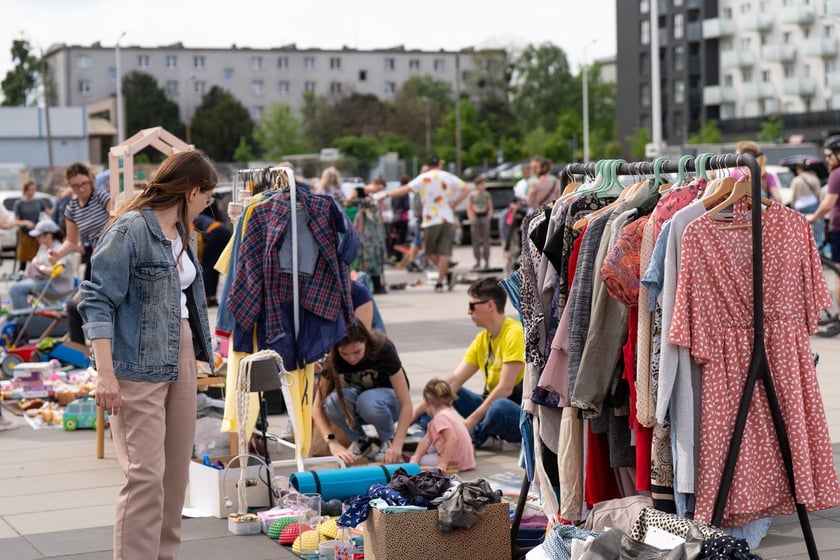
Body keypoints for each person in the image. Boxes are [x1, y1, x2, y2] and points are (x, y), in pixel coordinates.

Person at [78, 150, 216, 560]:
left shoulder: (183, 232)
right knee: (146, 476)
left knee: (175, 476)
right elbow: (97, 302)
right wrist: (105, 374)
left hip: (180, 354)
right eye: (207, 196)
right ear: (191, 191)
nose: (208, 204)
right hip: (136, 363)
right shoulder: (130, 230)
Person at [412, 277, 525, 447]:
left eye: (472, 306)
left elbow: (505, 389)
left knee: (499, 407)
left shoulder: (514, 333)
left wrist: (470, 421)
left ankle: (474, 436)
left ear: (490, 305)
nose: (468, 312)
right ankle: (421, 430)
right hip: (490, 406)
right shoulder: (482, 338)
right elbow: (454, 380)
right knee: (447, 389)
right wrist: (412, 415)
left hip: (516, 411)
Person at [311, 321, 413, 465]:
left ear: (365, 341)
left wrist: (398, 443)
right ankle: (360, 441)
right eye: (345, 353)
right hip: (358, 406)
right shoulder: (333, 358)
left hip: (388, 405)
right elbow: (316, 408)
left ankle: (387, 439)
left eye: (357, 352)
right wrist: (332, 441)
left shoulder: (382, 349)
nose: (351, 358)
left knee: (367, 400)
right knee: (332, 401)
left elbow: (406, 403)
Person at [48, 162, 113, 346]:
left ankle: (99, 348)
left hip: (112, 254)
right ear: (70, 186)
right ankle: (81, 351)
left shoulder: (100, 195)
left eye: (84, 183)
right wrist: (57, 254)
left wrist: (105, 239)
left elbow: (116, 217)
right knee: (75, 307)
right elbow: (71, 241)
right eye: (76, 186)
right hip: (96, 259)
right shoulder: (72, 208)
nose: (81, 189)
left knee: (90, 305)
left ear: (91, 180)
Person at [383, 156, 469, 292]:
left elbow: (406, 188)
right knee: (445, 253)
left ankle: (443, 278)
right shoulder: (448, 176)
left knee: (429, 253)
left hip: (431, 220)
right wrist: (456, 203)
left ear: (428, 166)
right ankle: (442, 279)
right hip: (447, 219)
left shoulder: (425, 177)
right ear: (439, 164)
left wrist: (387, 194)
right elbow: (466, 189)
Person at [808, 135, 840, 337]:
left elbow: (828, 203)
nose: (827, 160)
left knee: (838, 274)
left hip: (839, 228)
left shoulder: (836, 174)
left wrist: (812, 218)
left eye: (829, 155)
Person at [409, 379, 476, 472]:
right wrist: (416, 456)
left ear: (426, 402)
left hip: (455, 462)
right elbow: (426, 440)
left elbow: (452, 439)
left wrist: (443, 463)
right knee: (430, 441)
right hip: (467, 461)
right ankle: (419, 455)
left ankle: (422, 456)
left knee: (422, 460)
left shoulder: (440, 418)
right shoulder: (450, 413)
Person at [9, 219, 75, 310]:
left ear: (48, 235)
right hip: (43, 280)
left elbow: (58, 271)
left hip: (56, 286)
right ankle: (24, 313)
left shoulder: (59, 249)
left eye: (38, 236)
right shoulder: (43, 247)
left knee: (17, 289)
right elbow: (36, 259)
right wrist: (36, 263)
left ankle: (22, 317)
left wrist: (39, 267)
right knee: (17, 285)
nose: (36, 238)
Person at [193, 211, 232, 307]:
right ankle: (212, 297)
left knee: (207, 267)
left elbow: (198, 239)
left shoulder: (193, 219)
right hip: (225, 232)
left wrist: (200, 257)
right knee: (215, 267)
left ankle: (206, 297)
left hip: (214, 233)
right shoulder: (201, 218)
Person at [12, 181, 52, 272]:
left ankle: (36, 275)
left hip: (37, 234)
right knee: (23, 259)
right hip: (25, 234)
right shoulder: (19, 203)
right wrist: (26, 222)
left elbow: (50, 213)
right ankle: (21, 275)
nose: (31, 192)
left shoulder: (38, 202)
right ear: (25, 190)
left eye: (33, 190)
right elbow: (16, 221)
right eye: (29, 190)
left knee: (36, 258)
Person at [791, 160, 824, 248]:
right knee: (815, 227)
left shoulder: (796, 180)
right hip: (813, 205)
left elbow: (794, 196)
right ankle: (816, 245)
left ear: (799, 169)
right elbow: (819, 194)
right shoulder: (815, 179)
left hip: (800, 206)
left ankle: (804, 246)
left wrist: (792, 207)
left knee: (801, 228)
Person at [468, 176, 493, 271]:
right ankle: (477, 260)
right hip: (476, 215)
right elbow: (469, 206)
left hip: (484, 215)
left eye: (483, 184)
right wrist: (470, 217)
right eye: (481, 184)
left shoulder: (486, 195)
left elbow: (490, 206)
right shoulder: (473, 195)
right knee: (475, 239)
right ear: (477, 185)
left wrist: (489, 215)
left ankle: (486, 260)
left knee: (486, 239)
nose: (483, 186)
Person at [387, 174, 411, 262]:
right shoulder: (405, 192)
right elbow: (407, 206)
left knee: (395, 237)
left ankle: (394, 255)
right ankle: (399, 257)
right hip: (403, 217)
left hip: (395, 217)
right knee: (401, 239)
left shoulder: (396, 192)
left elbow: (392, 205)